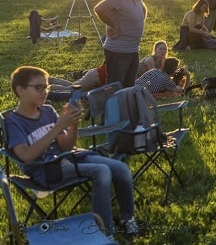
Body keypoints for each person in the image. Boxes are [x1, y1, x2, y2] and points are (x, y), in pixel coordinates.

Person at [5, 66, 138, 239]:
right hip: (46, 169)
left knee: (120, 168)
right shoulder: (13, 122)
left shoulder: (47, 111)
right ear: (20, 90)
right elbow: (26, 157)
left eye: (46, 87)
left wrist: (73, 122)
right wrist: (59, 126)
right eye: (38, 87)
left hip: (69, 157)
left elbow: (66, 146)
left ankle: (128, 219)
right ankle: (104, 232)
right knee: (102, 170)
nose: (44, 91)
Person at [94, 0, 147, 88]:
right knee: (115, 86)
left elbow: (143, 10)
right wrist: (113, 25)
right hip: (118, 51)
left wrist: (135, 25)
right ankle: (111, 107)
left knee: (129, 86)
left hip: (133, 49)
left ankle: (125, 107)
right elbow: (100, 9)